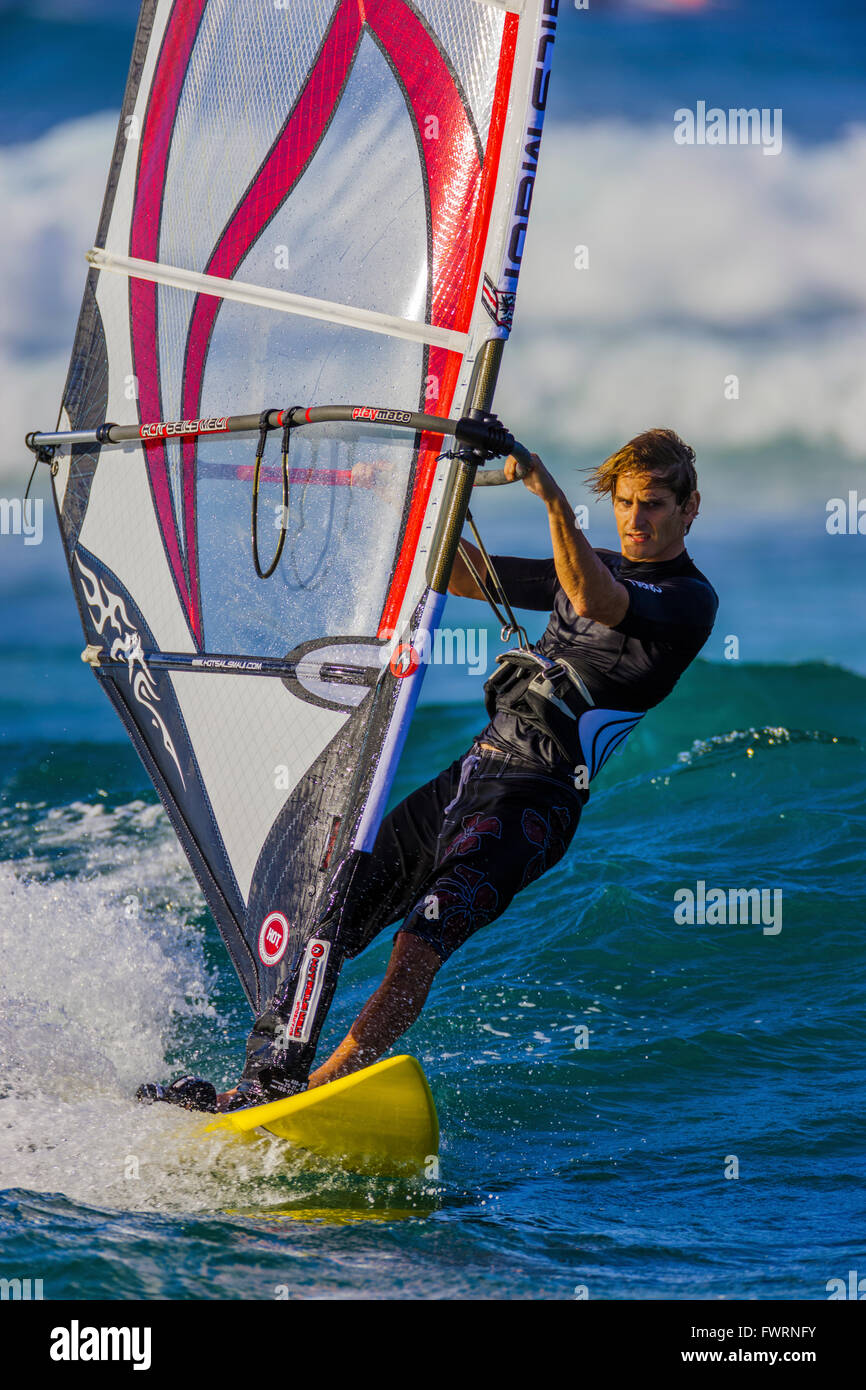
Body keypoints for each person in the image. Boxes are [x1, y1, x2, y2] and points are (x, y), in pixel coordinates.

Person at [140, 427, 718, 1114]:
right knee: (330, 913)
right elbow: (456, 571)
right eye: (624, 503)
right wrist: (401, 495)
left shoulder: (688, 600)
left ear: (690, 509)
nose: (635, 519)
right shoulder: (587, 562)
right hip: (470, 775)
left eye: (652, 504)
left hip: (535, 803)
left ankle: (315, 1093)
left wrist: (553, 501)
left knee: (419, 944)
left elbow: (597, 604)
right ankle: (263, 1079)